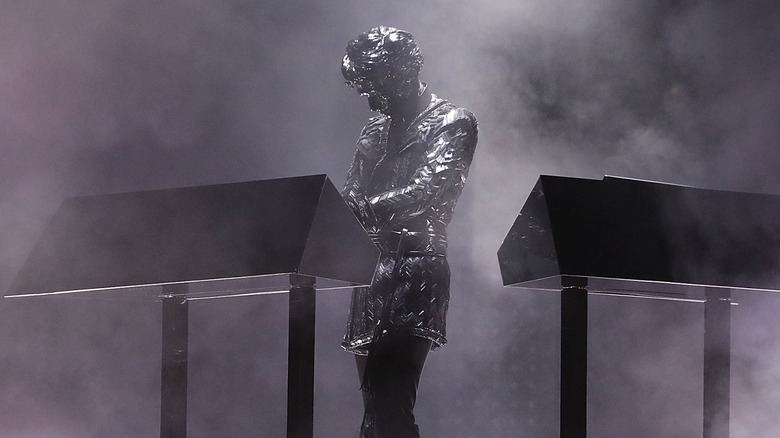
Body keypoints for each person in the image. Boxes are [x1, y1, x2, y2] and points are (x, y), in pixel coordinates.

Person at [339, 26, 478, 437]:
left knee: (391, 403)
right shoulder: (374, 131)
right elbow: (350, 192)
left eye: (374, 86)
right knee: (372, 410)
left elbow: (425, 191)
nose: (369, 99)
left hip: (417, 270)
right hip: (369, 273)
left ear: (398, 73)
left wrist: (360, 210)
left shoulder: (454, 122)